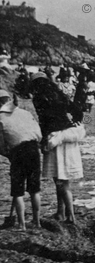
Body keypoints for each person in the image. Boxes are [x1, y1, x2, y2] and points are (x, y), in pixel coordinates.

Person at [30, 73, 84, 224]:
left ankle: (70, 215)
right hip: (67, 136)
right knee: (62, 178)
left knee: (59, 179)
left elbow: (44, 122)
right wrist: (74, 123)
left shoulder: (39, 99)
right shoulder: (59, 95)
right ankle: (62, 212)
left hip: (54, 138)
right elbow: (78, 111)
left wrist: (43, 143)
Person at [0, 90, 42, 230]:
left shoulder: (0, 118)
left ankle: (22, 225)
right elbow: (38, 134)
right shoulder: (26, 113)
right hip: (34, 149)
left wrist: (9, 155)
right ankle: (37, 222)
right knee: (34, 189)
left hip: (18, 152)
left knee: (17, 191)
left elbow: (0, 146)